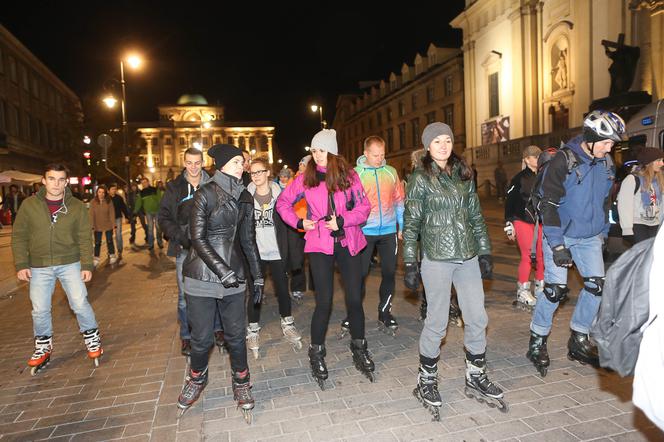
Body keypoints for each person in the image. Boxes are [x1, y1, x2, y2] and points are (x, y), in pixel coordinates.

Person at [403, 122, 504, 420]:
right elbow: (411, 224)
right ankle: (426, 380)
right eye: (437, 141)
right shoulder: (420, 179)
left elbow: (475, 215)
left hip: (468, 256)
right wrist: (409, 261)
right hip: (436, 257)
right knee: (437, 322)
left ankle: (475, 374)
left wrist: (485, 250)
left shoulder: (463, 174)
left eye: (447, 140)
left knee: (477, 316)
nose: (444, 146)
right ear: (427, 147)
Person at [527, 110, 625, 377]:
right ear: (590, 138)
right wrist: (557, 246)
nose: (610, 148)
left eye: (612, 144)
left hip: (590, 237)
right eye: (606, 143)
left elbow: (606, 203)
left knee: (596, 287)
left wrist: (603, 233)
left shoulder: (606, 163)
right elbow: (548, 206)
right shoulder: (563, 161)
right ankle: (537, 341)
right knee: (555, 290)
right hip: (560, 233)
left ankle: (578, 338)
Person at [276, 128, 374, 389]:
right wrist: (299, 222)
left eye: (320, 150)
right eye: (314, 150)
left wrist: (342, 220)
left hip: (348, 239)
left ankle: (359, 346)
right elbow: (282, 203)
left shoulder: (348, 175)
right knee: (325, 302)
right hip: (319, 244)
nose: (316, 155)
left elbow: (364, 208)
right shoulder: (305, 177)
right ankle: (316, 352)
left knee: (354, 298)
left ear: (331, 150)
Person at [177, 144, 263, 422]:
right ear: (223, 165)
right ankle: (196, 378)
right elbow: (197, 239)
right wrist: (222, 270)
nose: (243, 166)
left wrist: (258, 274)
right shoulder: (204, 194)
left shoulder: (245, 197)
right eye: (238, 162)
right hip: (201, 277)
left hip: (234, 278)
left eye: (244, 162)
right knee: (201, 340)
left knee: (237, 338)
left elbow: (248, 240)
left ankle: (242, 383)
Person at [13, 163, 102, 375]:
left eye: (61, 179)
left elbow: (83, 238)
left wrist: (87, 264)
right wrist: (21, 264)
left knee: (79, 303)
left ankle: (92, 338)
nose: (56, 184)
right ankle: (43, 345)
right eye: (52, 179)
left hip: (69, 263)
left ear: (66, 182)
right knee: (40, 309)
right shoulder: (29, 205)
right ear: (43, 180)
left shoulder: (78, 206)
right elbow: (19, 236)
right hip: (39, 266)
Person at [158, 147, 220, 357]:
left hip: (211, 246)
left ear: (203, 162)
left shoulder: (213, 183)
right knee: (185, 295)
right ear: (184, 162)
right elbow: (164, 217)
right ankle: (186, 335)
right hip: (184, 249)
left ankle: (217, 329)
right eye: (189, 162)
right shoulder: (174, 187)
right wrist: (181, 237)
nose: (193, 167)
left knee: (214, 288)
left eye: (197, 162)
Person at [347, 135, 404, 337]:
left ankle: (384, 312)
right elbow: (348, 204)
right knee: (359, 275)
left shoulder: (391, 172)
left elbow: (399, 200)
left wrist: (401, 226)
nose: (380, 158)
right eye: (375, 155)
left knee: (389, 273)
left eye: (382, 154)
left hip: (388, 231)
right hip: (364, 231)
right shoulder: (354, 175)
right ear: (365, 154)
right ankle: (353, 313)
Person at [245, 157, 302, 358]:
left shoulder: (281, 195)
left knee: (282, 289)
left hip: (277, 251)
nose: (257, 176)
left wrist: (294, 254)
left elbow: (290, 226)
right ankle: (253, 328)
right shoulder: (246, 196)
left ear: (268, 172)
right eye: (253, 173)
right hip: (257, 253)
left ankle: (287, 321)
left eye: (260, 172)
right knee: (256, 291)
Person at [504, 145, 544, 311]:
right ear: (527, 159)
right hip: (522, 220)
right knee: (528, 255)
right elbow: (510, 202)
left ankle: (541, 288)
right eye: (534, 157)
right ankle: (523, 291)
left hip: (539, 221)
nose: (537, 159)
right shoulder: (519, 178)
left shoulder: (543, 175)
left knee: (542, 255)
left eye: (538, 156)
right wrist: (508, 224)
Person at [617, 147, 664, 244]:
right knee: (642, 255)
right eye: (658, 160)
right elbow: (624, 205)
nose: (662, 164)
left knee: (653, 256)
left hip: (655, 225)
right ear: (649, 162)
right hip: (638, 225)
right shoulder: (632, 179)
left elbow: (661, 204)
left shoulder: (659, 180)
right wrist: (627, 229)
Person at [90, 185, 117, 267]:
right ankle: (96, 258)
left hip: (108, 224)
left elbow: (112, 213)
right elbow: (91, 214)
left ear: (105, 193)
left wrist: (113, 225)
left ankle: (112, 255)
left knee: (109, 240)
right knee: (97, 242)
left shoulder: (109, 201)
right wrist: (91, 225)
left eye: (103, 192)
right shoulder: (93, 202)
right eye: (99, 192)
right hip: (97, 225)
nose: (101, 194)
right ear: (97, 192)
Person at [134, 178, 163, 250]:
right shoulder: (141, 193)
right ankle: (151, 244)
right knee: (150, 228)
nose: (144, 184)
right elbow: (138, 203)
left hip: (157, 211)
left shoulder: (155, 189)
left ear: (148, 182)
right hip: (148, 212)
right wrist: (135, 212)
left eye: (145, 182)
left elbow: (160, 199)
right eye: (142, 183)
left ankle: (160, 242)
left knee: (158, 227)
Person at [108, 184, 130, 261]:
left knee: (118, 234)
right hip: (108, 220)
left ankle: (120, 250)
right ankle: (110, 251)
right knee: (109, 235)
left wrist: (127, 216)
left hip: (118, 218)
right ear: (108, 190)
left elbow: (123, 207)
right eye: (112, 189)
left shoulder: (119, 198)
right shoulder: (106, 199)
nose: (114, 190)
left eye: (115, 189)